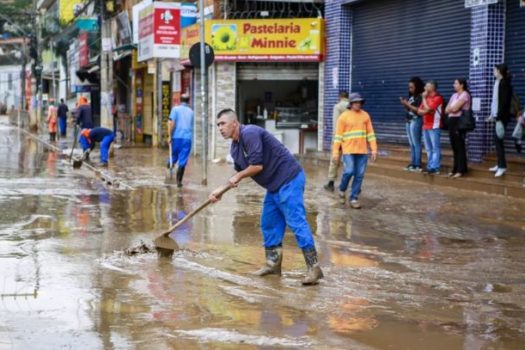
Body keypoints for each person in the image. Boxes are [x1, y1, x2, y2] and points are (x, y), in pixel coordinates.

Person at [209, 109, 323, 286]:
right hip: (274, 186)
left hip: (289, 178)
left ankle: (314, 268)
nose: (220, 128)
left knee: (296, 221)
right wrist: (220, 191)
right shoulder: (235, 148)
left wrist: (237, 177)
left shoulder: (250, 132)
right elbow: (238, 173)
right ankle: (273, 264)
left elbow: (257, 166)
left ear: (235, 123)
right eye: (218, 125)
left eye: (222, 123)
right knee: (269, 223)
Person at [333, 93, 377, 209]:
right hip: (348, 150)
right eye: (356, 102)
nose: (358, 104)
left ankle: (354, 198)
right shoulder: (343, 117)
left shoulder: (365, 116)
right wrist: (336, 152)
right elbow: (338, 136)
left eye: (360, 102)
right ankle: (342, 189)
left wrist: (373, 149)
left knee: (359, 175)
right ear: (351, 104)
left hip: (362, 151)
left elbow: (370, 134)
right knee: (349, 171)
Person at [488, 64, 513, 177]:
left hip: (502, 117)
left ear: (499, 71)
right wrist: (492, 115)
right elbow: (495, 101)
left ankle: (502, 167)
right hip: (497, 116)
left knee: (498, 141)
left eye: (495, 70)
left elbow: (503, 102)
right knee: (497, 141)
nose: (493, 71)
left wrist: (498, 116)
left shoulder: (504, 83)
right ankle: (499, 164)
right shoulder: (498, 82)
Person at [445, 78, 471, 178]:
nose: (453, 85)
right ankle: (455, 168)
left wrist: (452, 109)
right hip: (451, 121)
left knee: (459, 145)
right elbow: (447, 110)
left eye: (455, 83)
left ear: (462, 85)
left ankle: (461, 169)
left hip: (459, 122)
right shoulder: (454, 95)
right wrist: (452, 109)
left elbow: (455, 109)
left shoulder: (465, 95)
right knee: (454, 145)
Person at [324, 91, 349, 191]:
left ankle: (331, 183)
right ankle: (346, 184)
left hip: (339, 138)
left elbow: (336, 124)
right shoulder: (351, 107)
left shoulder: (337, 107)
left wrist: (335, 139)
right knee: (348, 161)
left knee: (334, 160)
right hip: (349, 139)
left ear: (340, 97)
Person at [167, 94, 194, 188]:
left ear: (180, 100)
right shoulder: (191, 112)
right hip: (187, 139)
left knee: (173, 156)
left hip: (176, 137)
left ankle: (169, 177)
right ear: (189, 101)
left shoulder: (175, 109)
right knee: (183, 160)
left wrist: (169, 136)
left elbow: (171, 123)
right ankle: (179, 182)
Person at [417, 80, 444, 175]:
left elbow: (428, 109)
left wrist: (424, 100)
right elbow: (419, 111)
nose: (424, 88)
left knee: (435, 147)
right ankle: (430, 165)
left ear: (432, 87)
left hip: (434, 125)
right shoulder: (427, 98)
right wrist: (426, 110)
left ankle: (435, 167)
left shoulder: (438, 98)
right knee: (428, 148)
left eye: (426, 86)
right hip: (425, 125)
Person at [400, 77, 425, 172]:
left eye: (411, 87)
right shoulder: (412, 97)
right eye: (409, 87)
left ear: (417, 87)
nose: (409, 89)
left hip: (416, 121)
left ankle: (417, 164)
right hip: (409, 121)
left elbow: (418, 110)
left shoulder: (420, 96)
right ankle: (413, 163)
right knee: (411, 144)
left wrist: (407, 104)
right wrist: (404, 104)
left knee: (416, 143)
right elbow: (409, 109)